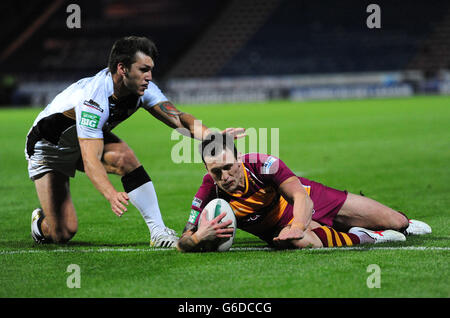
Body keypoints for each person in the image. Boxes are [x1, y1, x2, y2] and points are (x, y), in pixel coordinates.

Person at [27, 36, 244, 247]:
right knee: (63, 233)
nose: (149, 76)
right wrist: (110, 194)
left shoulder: (142, 90)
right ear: (122, 68)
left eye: (150, 69)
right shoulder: (93, 99)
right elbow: (90, 158)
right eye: (143, 69)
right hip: (48, 151)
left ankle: (158, 232)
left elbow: (178, 118)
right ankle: (40, 224)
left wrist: (211, 135)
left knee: (125, 158)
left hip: (84, 140)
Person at [176, 133, 432, 252]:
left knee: (396, 222)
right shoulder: (209, 190)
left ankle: (402, 224)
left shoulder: (264, 164)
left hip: (309, 199)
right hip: (278, 227)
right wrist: (198, 238)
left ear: (239, 159)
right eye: (215, 172)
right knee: (296, 241)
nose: (224, 177)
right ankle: (370, 237)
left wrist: (299, 223)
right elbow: (183, 241)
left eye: (228, 167)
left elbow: (300, 197)